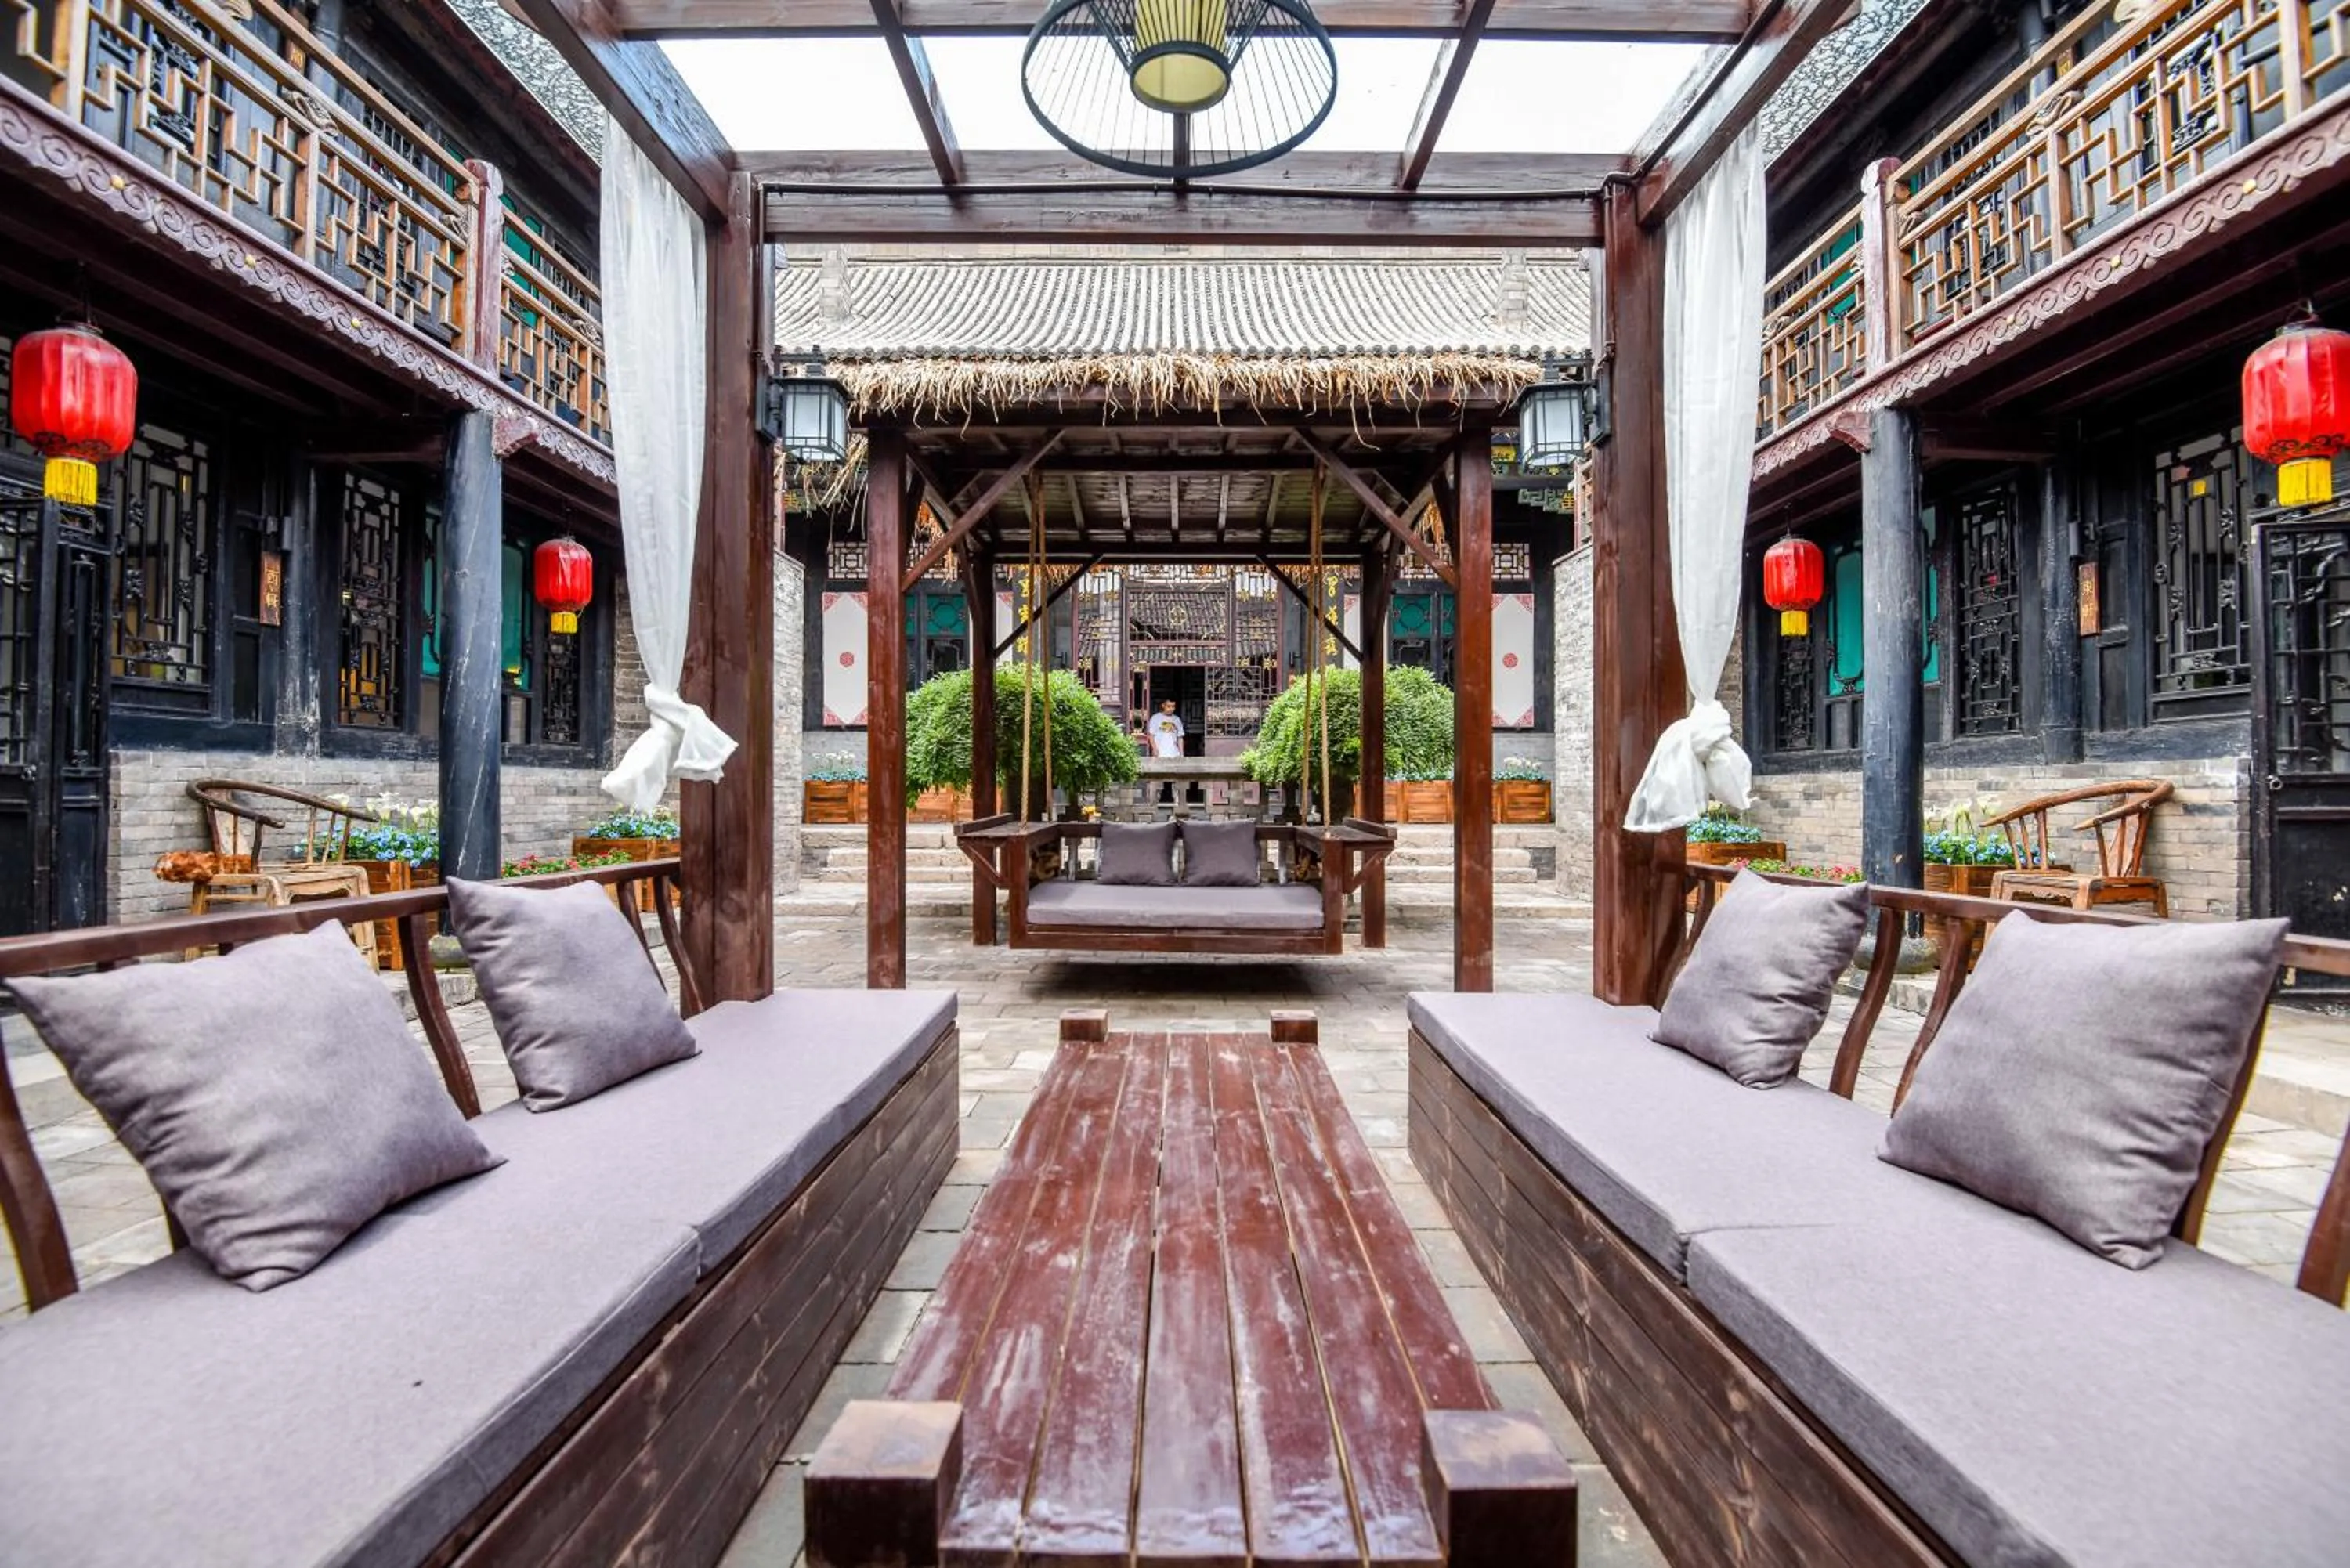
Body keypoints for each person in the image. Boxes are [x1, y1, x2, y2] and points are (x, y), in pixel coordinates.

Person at [1146, 699, 1184, 805]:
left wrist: (1181, 754)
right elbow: (1151, 735)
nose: (1171, 709)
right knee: (1157, 781)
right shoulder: (1156, 718)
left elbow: (1180, 737)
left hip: (1174, 754)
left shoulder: (1177, 720)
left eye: (1173, 706)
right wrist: (1154, 749)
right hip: (1160, 754)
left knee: (1177, 781)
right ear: (1163, 705)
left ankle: (1177, 804)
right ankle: (1153, 804)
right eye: (1169, 706)